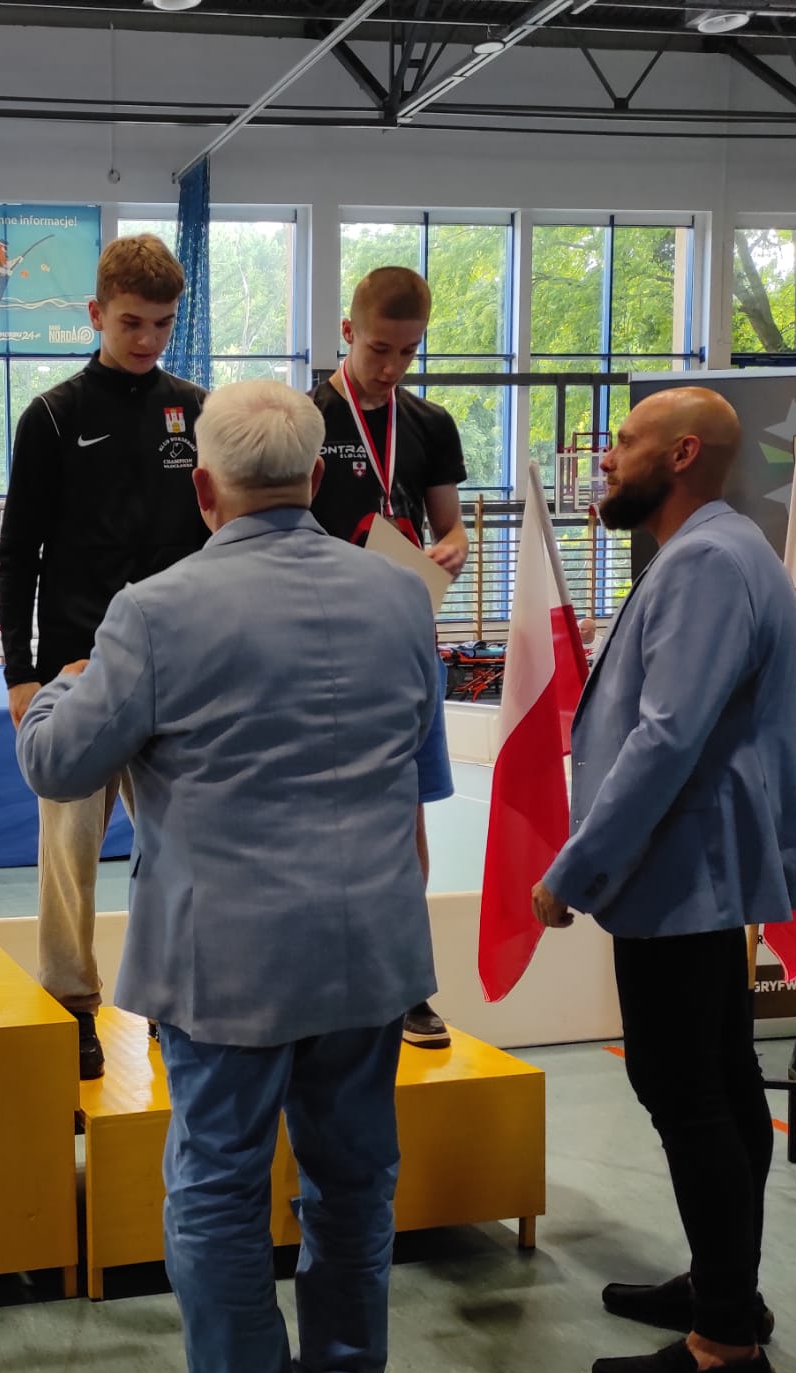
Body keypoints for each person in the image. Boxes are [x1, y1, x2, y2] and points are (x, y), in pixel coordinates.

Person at [19, 381, 440, 1373]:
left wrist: (55, 694)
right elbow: (417, 757)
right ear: (316, 477)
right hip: (369, 952)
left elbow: (59, 765)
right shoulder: (400, 597)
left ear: (202, 488)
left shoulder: (154, 611)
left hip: (226, 964)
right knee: (353, 1186)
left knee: (215, 1190)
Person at [532, 387, 796, 1373]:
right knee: (721, 1083)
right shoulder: (724, 548)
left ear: (682, 453)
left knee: (687, 1092)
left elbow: (665, 737)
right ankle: (723, 1287)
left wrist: (574, 868)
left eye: (622, 441)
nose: (606, 458)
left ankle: (723, 1345)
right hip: (697, 868)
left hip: (678, 867)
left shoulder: (703, 562)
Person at [0, 233, 208, 1081]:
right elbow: (19, 553)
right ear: (95, 314)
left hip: (177, 671)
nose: (148, 339)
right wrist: (21, 673)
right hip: (77, 671)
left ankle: (168, 998)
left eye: (162, 324)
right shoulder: (52, 417)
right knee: (70, 853)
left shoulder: (196, 412)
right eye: (131, 323)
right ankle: (71, 1003)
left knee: (179, 849)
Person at [309, 265, 470, 1052]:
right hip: (320, 647)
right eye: (379, 349)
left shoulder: (431, 424)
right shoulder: (305, 417)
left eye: (409, 352)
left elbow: (452, 527)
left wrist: (453, 548)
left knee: (406, 813)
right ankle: (321, 981)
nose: (392, 367)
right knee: (317, 814)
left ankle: (407, 983)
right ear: (348, 332)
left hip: (404, 641)